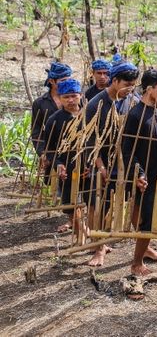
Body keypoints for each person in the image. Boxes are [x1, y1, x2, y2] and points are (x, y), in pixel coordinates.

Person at [121, 69, 157, 276]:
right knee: (147, 222)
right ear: (149, 89)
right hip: (149, 178)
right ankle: (136, 263)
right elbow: (127, 151)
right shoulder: (136, 116)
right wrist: (139, 174)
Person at [85, 61, 140, 266]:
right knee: (99, 204)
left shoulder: (132, 101)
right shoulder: (95, 104)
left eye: (133, 85)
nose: (130, 89)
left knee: (134, 202)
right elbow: (90, 141)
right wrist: (100, 166)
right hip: (102, 161)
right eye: (127, 84)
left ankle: (144, 244)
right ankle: (98, 248)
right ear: (114, 81)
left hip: (125, 160)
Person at [42, 78, 84, 236]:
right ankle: (81, 230)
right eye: (66, 97)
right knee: (70, 200)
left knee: (92, 198)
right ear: (60, 98)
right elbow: (50, 150)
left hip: (89, 165)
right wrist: (58, 164)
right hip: (68, 166)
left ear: (80, 95)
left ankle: (88, 230)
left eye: (74, 95)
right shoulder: (54, 121)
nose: (71, 100)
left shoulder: (91, 114)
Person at [32, 61, 72, 160]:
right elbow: (36, 131)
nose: (66, 84)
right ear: (51, 81)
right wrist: (42, 153)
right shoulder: (40, 103)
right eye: (62, 81)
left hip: (73, 149)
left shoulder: (77, 100)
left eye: (69, 80)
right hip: (52, 150)